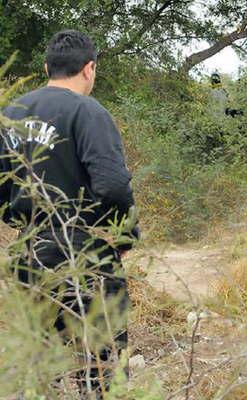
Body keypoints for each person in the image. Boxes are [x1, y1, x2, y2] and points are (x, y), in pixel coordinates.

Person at [0, 30, 137, 396]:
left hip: (28, 254)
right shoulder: (88, 112)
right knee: (101, 363)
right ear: (89, 69)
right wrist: (124, 235)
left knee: (42, 364)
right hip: (83, 251)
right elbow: (113, 185)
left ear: (47, 67)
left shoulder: (10, 114)